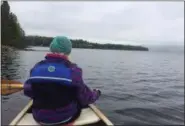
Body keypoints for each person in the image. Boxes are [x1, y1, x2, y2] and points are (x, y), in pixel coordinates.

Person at [23, 36, 101, 125]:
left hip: (39, 117)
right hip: (65, 118)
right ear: (68, 51)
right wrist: (96, 93)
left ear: (51, 48)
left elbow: (28, 91)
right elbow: (85, 97)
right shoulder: (73, 70)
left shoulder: (37, 67)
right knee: (79, 99)